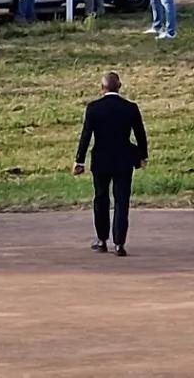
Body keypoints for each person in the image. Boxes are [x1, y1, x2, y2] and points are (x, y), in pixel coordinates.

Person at [73, 71, 148, 257]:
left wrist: (79, 161)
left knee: (101, 199)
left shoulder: (94, 108)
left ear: (102, 88)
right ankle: (119, 243)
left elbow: (86, 136)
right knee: (122, 201)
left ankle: (101, 239)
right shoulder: (130, 108)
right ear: (120, 86)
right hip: (124, 159)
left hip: (101, 159)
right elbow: (140, 134)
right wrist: (142, 155)